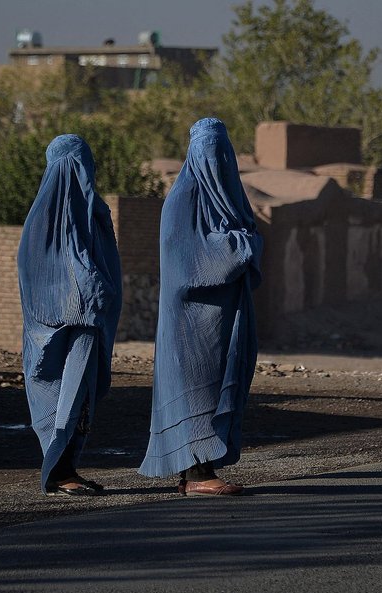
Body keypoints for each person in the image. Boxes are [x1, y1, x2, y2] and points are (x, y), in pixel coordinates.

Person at [139, 118, 263, 496]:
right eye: (210, 152)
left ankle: (198, 470)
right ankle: (196, 476)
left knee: (216, 387)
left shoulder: (229, 200)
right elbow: (192, 261)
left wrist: (243, 242)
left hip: (222, 317)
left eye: (223, 153)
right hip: (189, 323)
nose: (218, 161)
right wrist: (243, 246)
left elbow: (247, 237)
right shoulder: (181, 201)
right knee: (196, 389)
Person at [17, 134, 122, 496]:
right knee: (60, 395)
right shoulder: (45, 219)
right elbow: (50, 274)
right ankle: (60, 473)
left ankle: (66, 469)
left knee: (79, 396)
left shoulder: (89, 212)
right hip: (55, 328)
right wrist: (91, 294)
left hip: (86, 324)